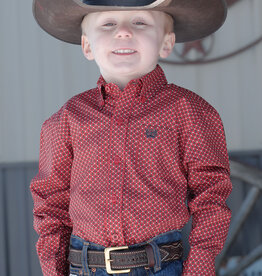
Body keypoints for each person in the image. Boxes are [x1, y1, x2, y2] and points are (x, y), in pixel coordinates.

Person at [30, 0, 232, 275]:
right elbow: (50, 201)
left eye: (140, 22)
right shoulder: (68, 118)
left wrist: (198, 268)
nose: (123, 32)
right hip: (83, 267)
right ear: (87, 46)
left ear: (166, 43)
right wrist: (53, 271)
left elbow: (211, 196)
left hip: (160, 266)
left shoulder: (189, 111)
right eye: (108, 23)